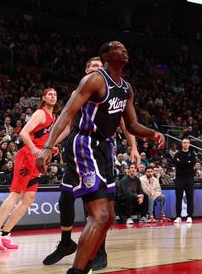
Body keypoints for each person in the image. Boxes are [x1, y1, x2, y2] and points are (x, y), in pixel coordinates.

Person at [36, 41, 164, 274]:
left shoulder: (126, 88)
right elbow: (67, 113)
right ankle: (76, 268)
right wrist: (47, 147)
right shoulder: (95, 79)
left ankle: (84, 265)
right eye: (118, 47)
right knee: (99, 214)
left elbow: (132, 124)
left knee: (110, 216)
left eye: (126, 47)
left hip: (106, 148)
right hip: (85, 143)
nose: (125, 50)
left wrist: (153, 133)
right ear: (106, 55)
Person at [44, 56, 141, 269]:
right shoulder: (79, 93)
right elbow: (68, 124)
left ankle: (99, 253)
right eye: (92, 67)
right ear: (86, 70)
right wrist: (49, 146)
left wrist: (133, 146)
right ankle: (66, 241)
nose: (96, 70)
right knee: (65, 198)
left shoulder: (113, 91)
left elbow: (126, 123)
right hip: (78, 148)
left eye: (99, 66)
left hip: (100, 148)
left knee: (99, 207)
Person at [0, 88, 58, 250]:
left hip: (37, 160)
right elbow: (24, 133)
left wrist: (51, 148)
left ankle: (5, 234)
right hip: (26, 157)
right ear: (44, 98)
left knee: (29, 198)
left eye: (55, 95)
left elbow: (42, 138)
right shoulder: (40, 113)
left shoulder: (54, 117)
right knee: (16, 193)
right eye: (50, 94)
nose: (53, 97)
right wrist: (34, 149)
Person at [173, 137, 197, 224]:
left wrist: (183, 163)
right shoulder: (177, 154)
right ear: (182, 144)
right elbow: (177, 164)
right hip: (179, 178)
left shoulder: (192, 154)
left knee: (190, 197)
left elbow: (192, 164)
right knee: (178, 197)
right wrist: (187, 162)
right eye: (184, 142)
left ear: (189, 144)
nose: (186, 144)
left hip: (189, 178)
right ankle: (178, 216)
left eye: (187, 142)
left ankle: (189, 216)